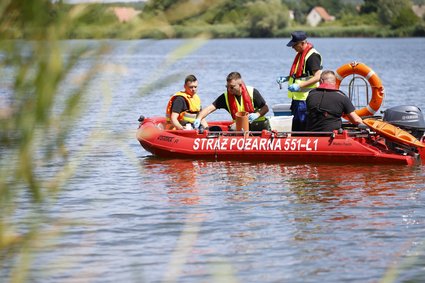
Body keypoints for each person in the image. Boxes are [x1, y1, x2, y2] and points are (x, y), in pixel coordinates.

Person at [277, 31, 323, 131]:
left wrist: (299, 86)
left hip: (306, 100)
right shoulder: (301, 54)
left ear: (303, 43)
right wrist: (286, 78)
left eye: (295, 45)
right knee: (296, 127)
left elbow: (318, 76)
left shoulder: (312, 56)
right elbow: (301, 75)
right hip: (297, 99)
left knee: (303, 127)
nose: (293, 48)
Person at [194, 72, 270, 131]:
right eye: (227, 87)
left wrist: (256, 115)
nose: (229, 89)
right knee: (233, 128)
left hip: (259, 125)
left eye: (232, 87)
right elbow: (210, 108)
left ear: (240, 85)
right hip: (242, 127)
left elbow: (266, 108)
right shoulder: (225, 96)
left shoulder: (252, 92)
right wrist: (199, 118)